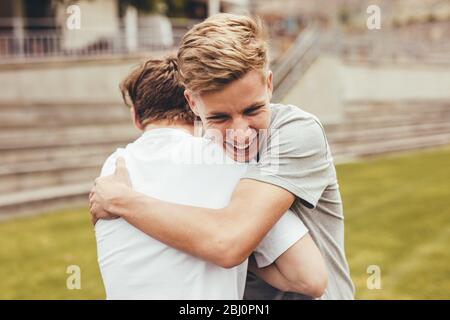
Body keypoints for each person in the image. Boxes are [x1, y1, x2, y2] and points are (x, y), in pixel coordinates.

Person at [90, 13, 354, 299]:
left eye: (252, 110)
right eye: (219, 117)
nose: (239, 133)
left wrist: (121, 201)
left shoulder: (295, 133)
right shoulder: (205, 155)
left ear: (268, 84)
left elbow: (228, 242)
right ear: (192, 103)